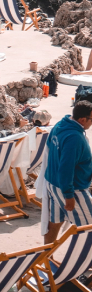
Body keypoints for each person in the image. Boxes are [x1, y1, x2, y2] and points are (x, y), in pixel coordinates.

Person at [43, 101, 92, 244]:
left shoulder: (59, 125)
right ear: (82, 120)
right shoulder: (74, 137)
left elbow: (49, 149)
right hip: (72, 189)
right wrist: (68, 195)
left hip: (53, 184)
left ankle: (46, 256)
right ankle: (81, 261)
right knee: (88, 227)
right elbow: (66, 168)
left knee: (55, 222)